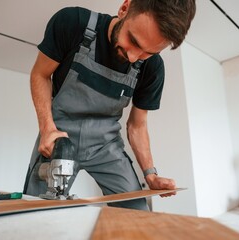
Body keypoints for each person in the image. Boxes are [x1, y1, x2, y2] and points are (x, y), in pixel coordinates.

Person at [24, 0, 196, 210]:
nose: (133, 57)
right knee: (36, 209)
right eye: (133, 40)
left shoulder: (153, 68)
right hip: (59, 140)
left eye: (147, 53)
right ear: (124, 8)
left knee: (137, 211)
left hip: (106, 145)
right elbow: (40, 74)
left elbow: (137, 125)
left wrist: (150, 175)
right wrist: (47, 128)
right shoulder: (72, 23)